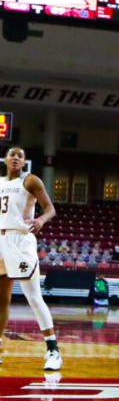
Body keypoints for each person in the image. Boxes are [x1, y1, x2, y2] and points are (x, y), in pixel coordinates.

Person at [0, 147, 62, 370]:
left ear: (24, 161)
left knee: (34, 297)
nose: (15, 157)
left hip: (20, 241)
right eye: (12, 154)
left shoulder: (30, 181)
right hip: (0, 241)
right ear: (5, 159)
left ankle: (53, 350)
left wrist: (42, 220)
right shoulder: (0, 183)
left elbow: (50, 209)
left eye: (20, 155)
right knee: (1, 300)